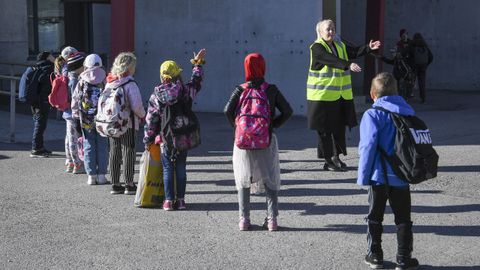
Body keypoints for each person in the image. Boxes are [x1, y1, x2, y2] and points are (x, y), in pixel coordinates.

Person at [358, 72, 420, 270]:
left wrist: (363, 176)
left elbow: (367, 147)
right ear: (396, 92)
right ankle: (404, 257)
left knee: (374, 216)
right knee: (403, 217)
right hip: (402, 175)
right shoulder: (407, 112)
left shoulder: (372, 114)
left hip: (378, 176)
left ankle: (375, 254)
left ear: (373, 94)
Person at [224, 53, 292, 231]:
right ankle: (272, 220)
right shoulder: (271, 89)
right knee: (270, 178)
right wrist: (271, 125)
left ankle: (244, 220)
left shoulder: (240, 89)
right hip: (266, 139)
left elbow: (227, 110)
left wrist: (237, 126)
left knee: (243, 179)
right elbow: (288, 111)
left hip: (243, 142)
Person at [306, 19, 381, 171]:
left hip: (340, 95)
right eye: (328, 29)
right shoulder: (317, 48)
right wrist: (348, 64)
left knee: (339, 128)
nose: (331, 31)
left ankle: (336, 157)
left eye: (333, 28)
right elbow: (330, 59)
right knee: (325, 130)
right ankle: (328, 160)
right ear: (320, 32)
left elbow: (353, 51)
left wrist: (368, 48)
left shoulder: (339, 45)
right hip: (321, 97)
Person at [143, 49, 206, 210]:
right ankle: (181, 200)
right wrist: (197, 64)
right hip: (183, 134)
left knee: (167, 168)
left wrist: (148, 139)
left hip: (165, 137)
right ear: (177, 74)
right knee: (180, 167)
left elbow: (151, 120)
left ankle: (168, 201)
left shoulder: (156, 95)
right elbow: (196, 82)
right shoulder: (185, 90)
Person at [106, 52, 146, 195]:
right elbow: (137, 106)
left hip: (111, 122)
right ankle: (129, 184)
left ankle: (115, 184)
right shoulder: (130, 83)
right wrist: (144, 115)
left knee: (114, 152)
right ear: (130, 68)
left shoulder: (110, 82)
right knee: (128, 151)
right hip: (128, 123)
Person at [71, 54, 109, 185]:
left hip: (86, 119)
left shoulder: (81, 80)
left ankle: (91, 176)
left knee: (88, 146)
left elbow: (75, 101)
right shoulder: (105, 79)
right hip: (103, 119)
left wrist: (76, 118)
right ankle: (102, 175)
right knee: (103, 146)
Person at [63, 51, 86, 174]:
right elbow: (75, 99)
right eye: (82, 65)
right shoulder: (74, 80)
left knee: (69, 138)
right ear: (78, 67)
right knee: (74, 139)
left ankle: (70, 162)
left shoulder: (68, 75)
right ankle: (77, 164)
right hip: (73, 114)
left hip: (67, 113)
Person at [28, 51, 55, 157]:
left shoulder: (37, 67)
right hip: (42, 100)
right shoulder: (48, 68)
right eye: (51, 56)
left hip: (35, 100)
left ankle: (40, 147)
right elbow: (46, 83)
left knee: (39, 123)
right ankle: (36, 149)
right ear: (48, 57)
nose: (54, 57)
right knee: (40, 125)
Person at [409, 33, 433, 104]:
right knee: (422, 82)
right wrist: (426, 64)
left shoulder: (412, 46)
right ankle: (423, 98)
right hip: (423, 67)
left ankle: (408, 95)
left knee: (411, 81)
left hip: (414, 67)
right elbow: (431, 57)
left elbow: (406, 54)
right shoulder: (425, 46)